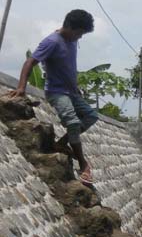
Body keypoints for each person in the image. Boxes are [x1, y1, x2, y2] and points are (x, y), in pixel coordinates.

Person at [6, 10, 97, 185]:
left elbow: (68, 65)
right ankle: (84, 164)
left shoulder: (72, 40)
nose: (80, 37)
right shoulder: (51, 42)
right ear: (70, 27)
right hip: (57, 92)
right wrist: (21, 87)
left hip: (72, 93)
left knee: (91, 116)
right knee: (72, 122)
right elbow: (30, 62)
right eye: (79, 33)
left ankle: (62, 143)